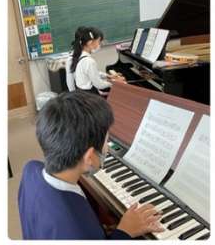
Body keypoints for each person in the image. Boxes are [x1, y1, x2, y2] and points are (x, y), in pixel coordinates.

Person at [18, 91, 163, 239]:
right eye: (107, 141)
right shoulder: (76, 231)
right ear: (89, 157)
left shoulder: (31, 169)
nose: (107, 148)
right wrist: (124, 232)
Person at [66, 26, 123, 95]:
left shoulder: (79, 56)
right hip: (87, 96)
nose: (100, 45)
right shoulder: (88, 61)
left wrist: (107, 76)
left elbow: (91, 73)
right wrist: (114, 83)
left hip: (83, 94)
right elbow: (99, 84)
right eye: (99, 42)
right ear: (89, 42)